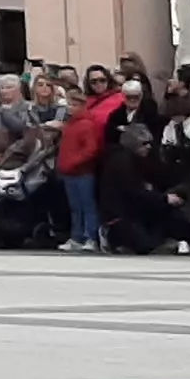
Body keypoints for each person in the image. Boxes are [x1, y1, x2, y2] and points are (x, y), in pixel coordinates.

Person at [56, 70, 122, 252]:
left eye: (73, 105)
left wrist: (74, 162)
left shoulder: (86, 124)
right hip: (70, 172)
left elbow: (90, 149)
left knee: (87, 206)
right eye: (69, 104)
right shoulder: (70, 125)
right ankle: (77, 236)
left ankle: (90, 236)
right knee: (75, 208)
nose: (69, 108)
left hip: (83, 172)